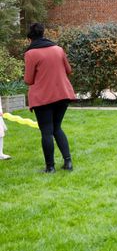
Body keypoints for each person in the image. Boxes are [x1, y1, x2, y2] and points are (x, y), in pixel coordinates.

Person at [24, 23, 76, 173]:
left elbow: (28, 80)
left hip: (43, 98)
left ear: (30, 39)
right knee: (57, 128)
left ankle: (50, 167)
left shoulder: (31, 53)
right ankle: (68, 163)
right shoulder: (58, 49)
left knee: (46, 131)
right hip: (63, 95)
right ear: (43, 34)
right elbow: (68, 70)